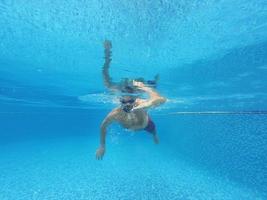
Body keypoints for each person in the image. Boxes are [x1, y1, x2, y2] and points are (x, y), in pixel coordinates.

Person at [96, 80, 166, 160]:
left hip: (146, 125)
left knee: (153, 130)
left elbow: (162, 100)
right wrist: (102, 146)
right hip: (129, 128)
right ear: (120, 100)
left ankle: (154, 135)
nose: (128, 104)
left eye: (131, 101)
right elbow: (103, 126)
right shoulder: (115, 113)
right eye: (124, 102)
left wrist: (148, 100)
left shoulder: (142, 104)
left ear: (135, 99)